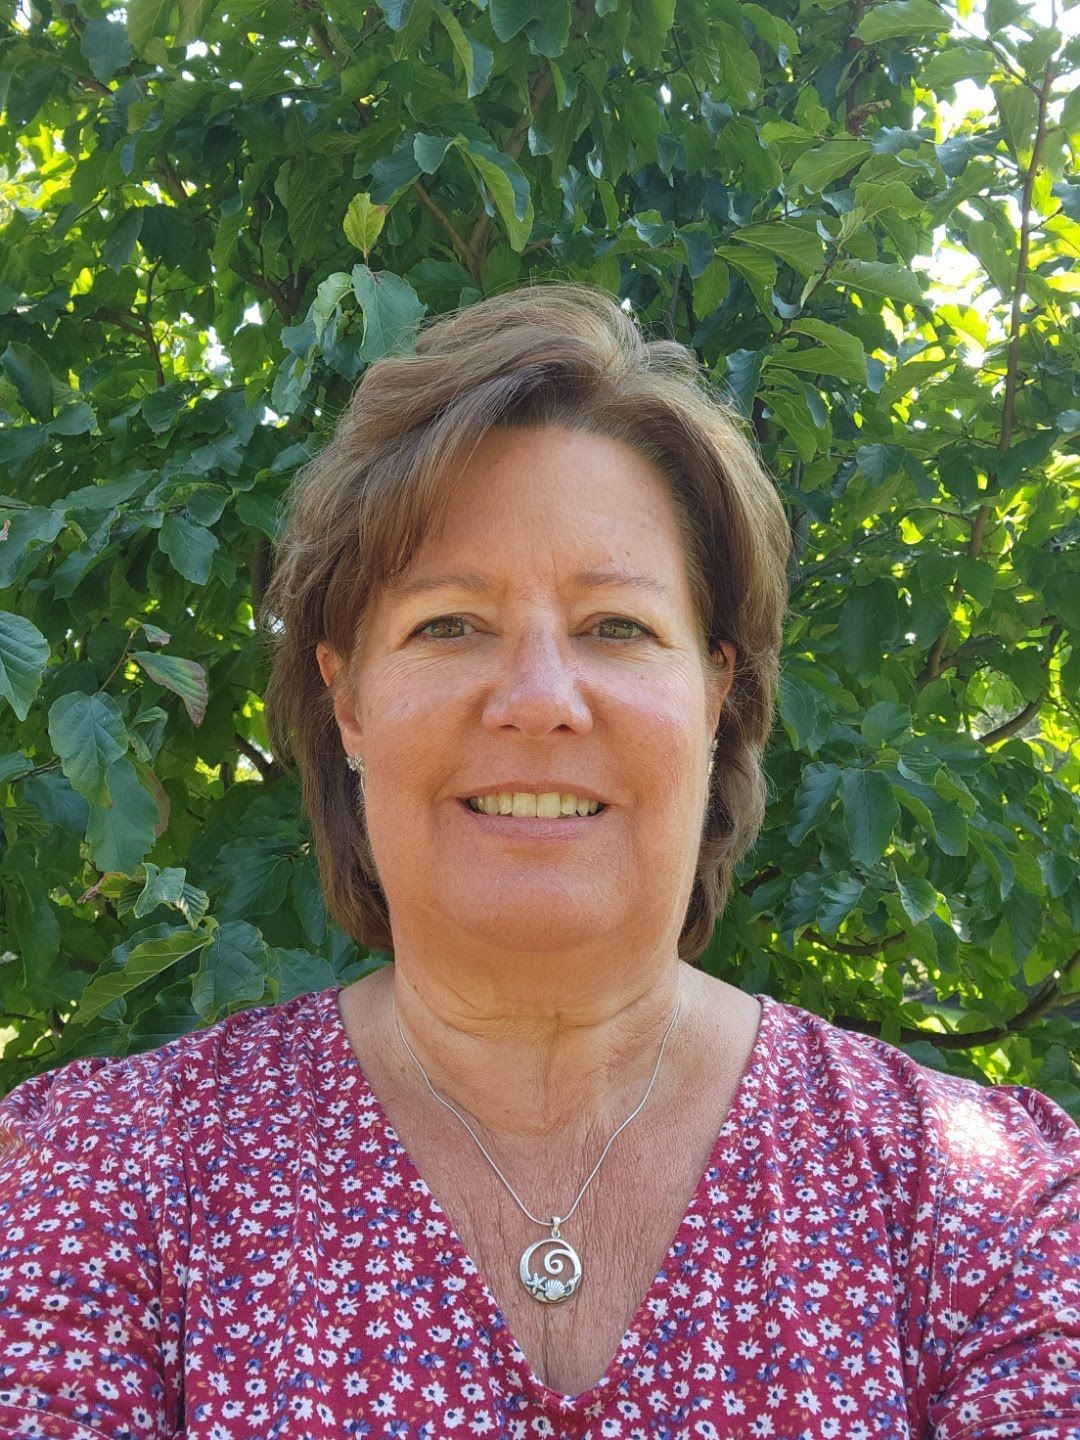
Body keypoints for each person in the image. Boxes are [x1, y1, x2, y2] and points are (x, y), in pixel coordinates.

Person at [0, 281, 1077, 1440]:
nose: (539, 698)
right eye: (450, 624)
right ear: (348, 701)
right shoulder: (105, 1183)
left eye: (617, 626)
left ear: (716, 695)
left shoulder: (983, 1211)